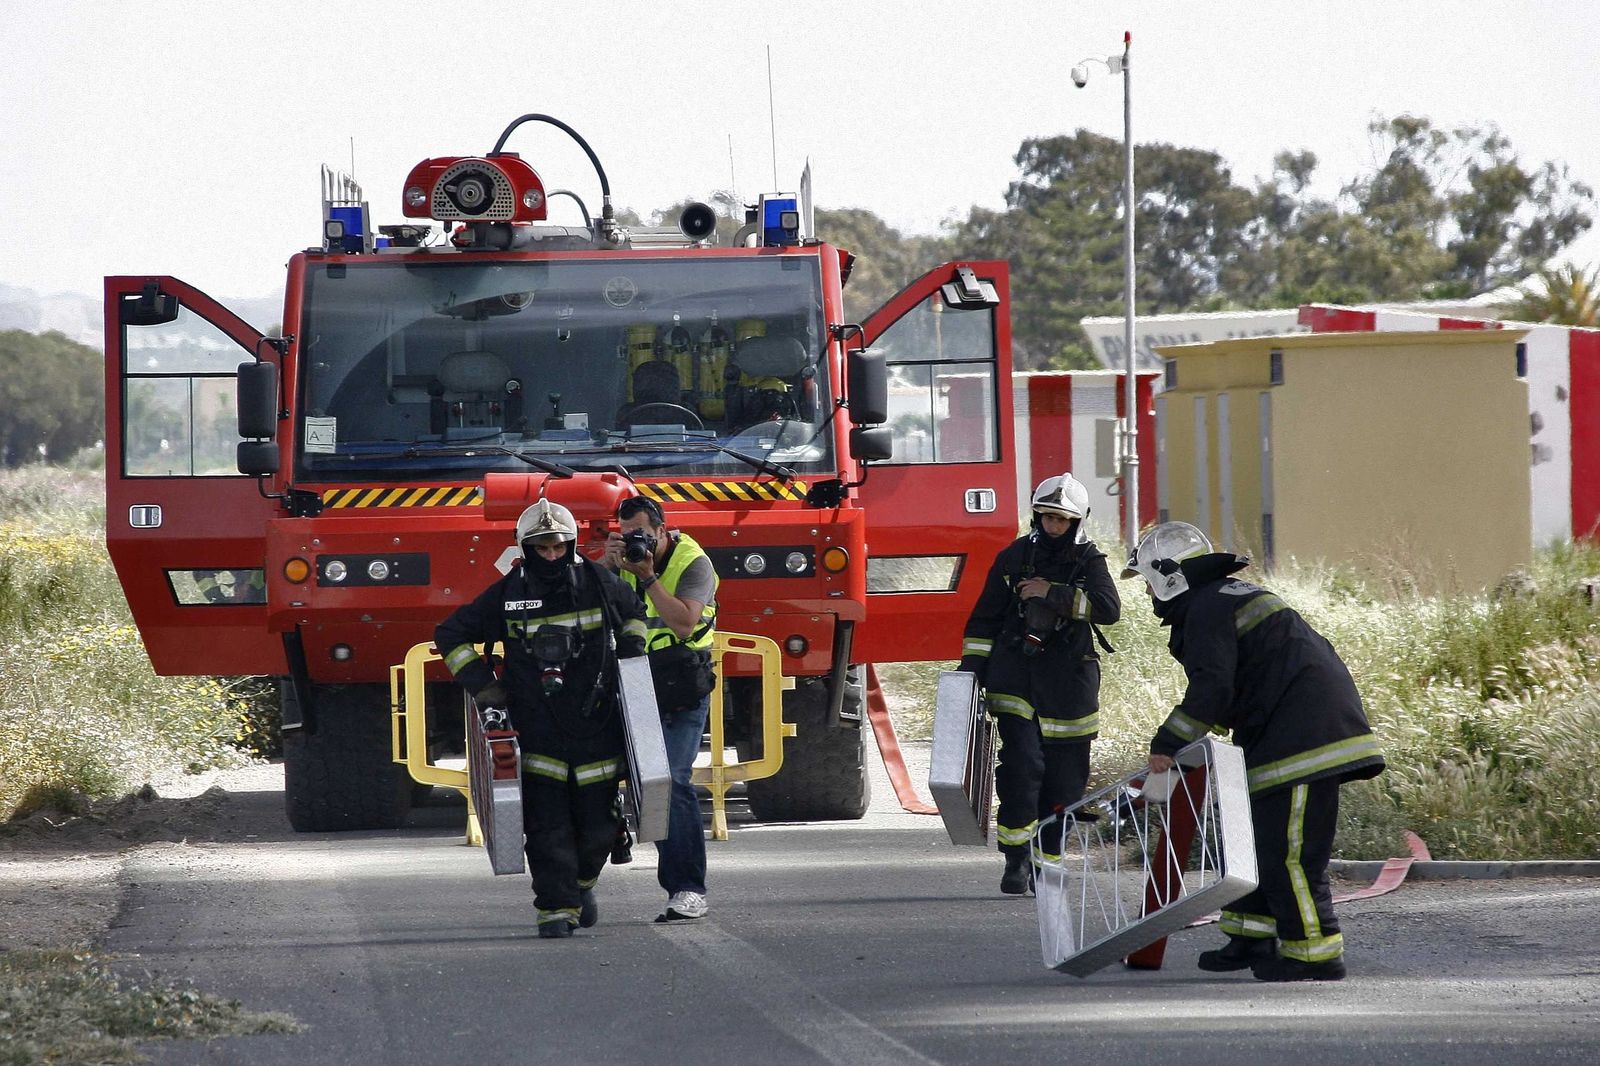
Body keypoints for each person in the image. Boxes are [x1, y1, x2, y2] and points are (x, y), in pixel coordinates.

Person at [1124, 521, 1386, 982]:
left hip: (1304, 737)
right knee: (1259, 843)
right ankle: (1251, 935)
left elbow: (1212, 688)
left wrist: (1167, 744)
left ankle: (1314, 952)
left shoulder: (1206, 608)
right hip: (1285, 729)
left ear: (1170, 576)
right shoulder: (1221, 597)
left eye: (1148, 581)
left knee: (1289, 853)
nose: (1147, 592)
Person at [435, 499, 648, 939]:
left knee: (598, 827)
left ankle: (581, 884)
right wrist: (484, 687)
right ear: (525, 548)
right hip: (538, 729)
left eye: (558, 547)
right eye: (541, 548)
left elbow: (634, 614)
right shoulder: (508, 594)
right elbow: (450, 634)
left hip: (596, 725)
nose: (551, 556)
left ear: (571, 544)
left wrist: (632, 653)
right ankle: (555, 909)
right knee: (547, 827)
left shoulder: (598, 582)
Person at [958, 473, 1120, 895]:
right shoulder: (1013, 557)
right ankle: (1015, 859)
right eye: (1047, 517)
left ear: (1077, 520)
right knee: (1022, 767)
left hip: (1070, 686)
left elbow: (1108, 609)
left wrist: (1052, 593)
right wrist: (971, 671)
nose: (1053, 525)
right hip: (1017, 678)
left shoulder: (1089, 560)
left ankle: (1048, 860)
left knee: (1065, 782)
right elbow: (984, 620)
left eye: (1061, 519)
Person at [605, 494, 719, 922]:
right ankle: (575, 885)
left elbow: (684, 623)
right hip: (631, 679)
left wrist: (648, 577)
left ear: (662, 530)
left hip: (681, 683)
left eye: (642, 534)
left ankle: (687, 889)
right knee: (600, 777)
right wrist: (604, 567)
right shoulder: (620, 562)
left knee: (670, 779)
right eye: (626, 534)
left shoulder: (693, 562)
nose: (635, 542)